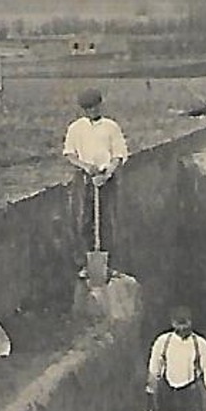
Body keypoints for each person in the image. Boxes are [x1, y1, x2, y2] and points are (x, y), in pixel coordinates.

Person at [63, 88, 130, 273]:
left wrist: (107, 173)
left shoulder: (111, 127)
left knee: (107, 221)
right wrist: (86, 167)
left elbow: (119, 154)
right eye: (88, 109)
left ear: (100, 105)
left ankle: (109, 265)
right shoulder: (76, 128)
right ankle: (86, 264)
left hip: (107, 178)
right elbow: (70, 154)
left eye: (95, 107)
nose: (92, 111)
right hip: (85, 179)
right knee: (84, 221)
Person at [147, 307, 206, 411]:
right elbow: (153, 371)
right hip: (167, 396)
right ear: (172, 323)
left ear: (190, 322)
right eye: (178, 324)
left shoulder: (200, 344)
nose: (182, 328)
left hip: (190, 397)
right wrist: (150, 401)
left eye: (185, 324)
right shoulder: (162, 342)